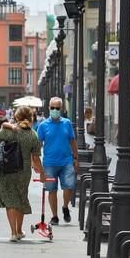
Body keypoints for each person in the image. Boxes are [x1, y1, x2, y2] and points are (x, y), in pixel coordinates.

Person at [0, 106, 44, 241]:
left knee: (10, 200)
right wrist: (42, 173)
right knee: (20, 198)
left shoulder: (9, 131)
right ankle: (19, 231)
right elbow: (36, 158)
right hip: (24, 171)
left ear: (17, 117)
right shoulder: (33, 135)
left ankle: (13, 232)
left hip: (8, 169)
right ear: (31, 118)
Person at [36, 96, 79, 225]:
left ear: (61, 109)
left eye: (57, 108)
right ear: (49, 108)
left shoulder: (67, 123)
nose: (55, 110)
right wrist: (35, 162)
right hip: (49, 163)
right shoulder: (43, 126)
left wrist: (76, 158)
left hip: (66, 161)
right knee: (51, 190)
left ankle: (65, 207)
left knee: (69, 187)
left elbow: (72, 142)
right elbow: (38, 145)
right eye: (52, 107)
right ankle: (55, 216)